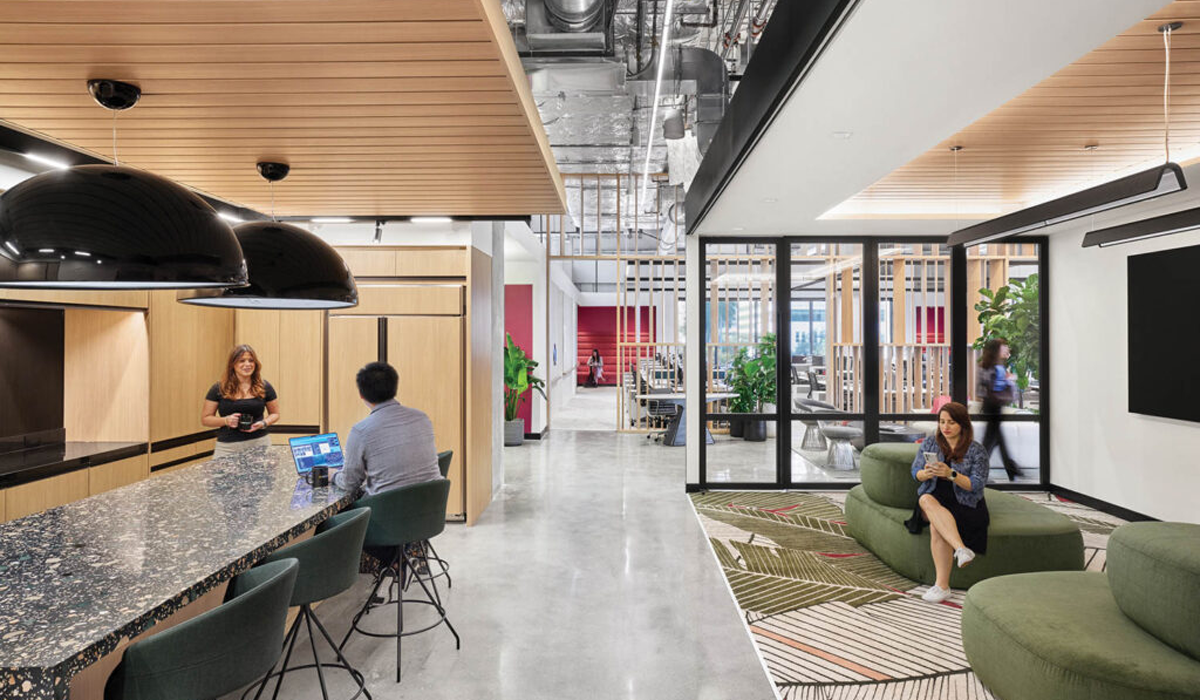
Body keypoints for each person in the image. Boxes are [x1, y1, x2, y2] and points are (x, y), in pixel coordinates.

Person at [904, 401, 990, 604]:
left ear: (963, 424)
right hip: (934, 496)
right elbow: (915, 472)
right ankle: (961, 549)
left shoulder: (977, 451)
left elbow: (976, 485)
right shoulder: (930, 443)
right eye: (942, 422)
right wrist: (925, 473)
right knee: (925, 499)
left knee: (937, 526)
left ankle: (942, 586)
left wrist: (950, 474)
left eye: (951, 422)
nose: (945, 427)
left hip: (966, 502)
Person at [332, 361, 440, 497]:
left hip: (386, 511)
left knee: (335, 516)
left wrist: (333, 475)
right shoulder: (422, 418)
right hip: (430, 505)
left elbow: (350, 483)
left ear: (361, 395)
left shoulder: (360, 431)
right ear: (395, 388)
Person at [202, 344, 280, 458]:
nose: (247, 364)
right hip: (228, 447)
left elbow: (275, 414)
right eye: (242, 361)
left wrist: (263, 423)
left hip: (260, 444)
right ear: (233, 364)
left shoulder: (264, 386)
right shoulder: (218, 388)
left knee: (263, 476)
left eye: (251, 360)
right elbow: (205, 419)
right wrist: (226, 421)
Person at [977, 338, 1022, 480]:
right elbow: (1000, 387)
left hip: (988, 406)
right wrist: (1011, 380)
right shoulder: (998, 368)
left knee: (996, 440)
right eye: (1004, 347)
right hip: (995, 407)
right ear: (997, 350)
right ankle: (979, 471)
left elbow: (982, 389)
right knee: (989, 442)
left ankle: (1011, 468)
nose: (1006, 350)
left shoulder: (984, 366)